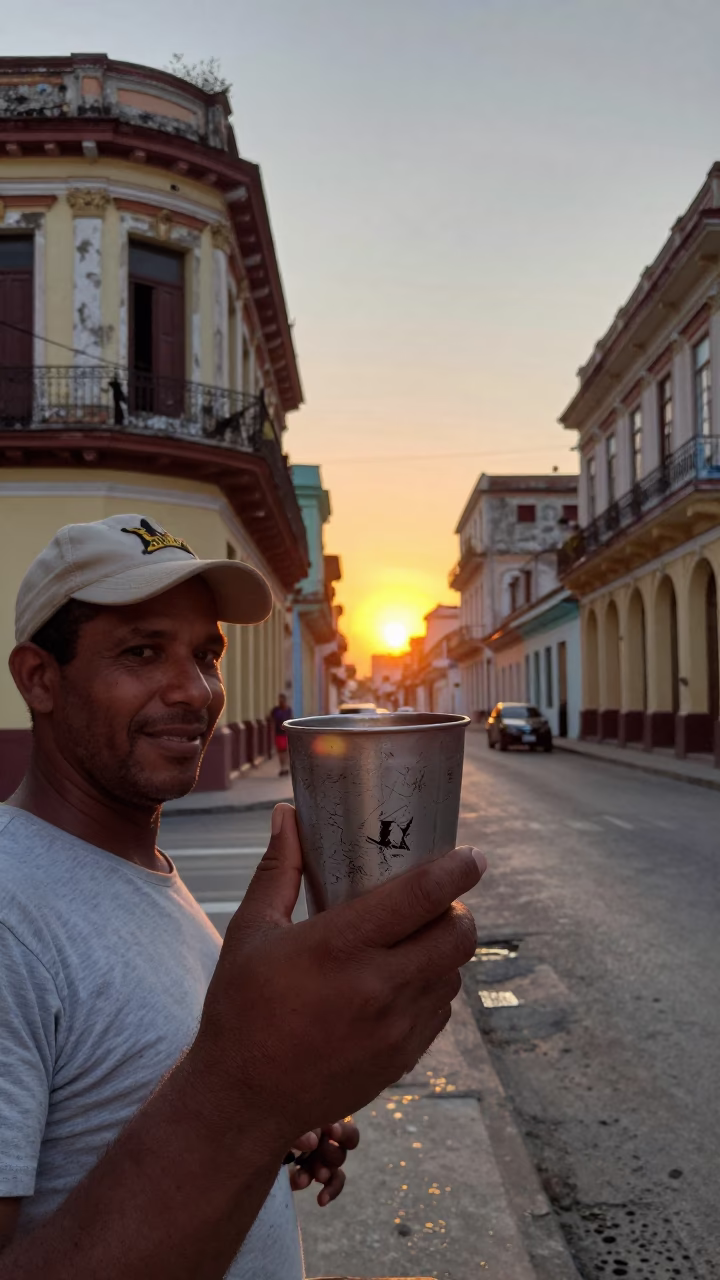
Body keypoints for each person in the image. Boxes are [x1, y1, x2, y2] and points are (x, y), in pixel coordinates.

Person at [0, 513, 486, 1279]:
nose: (194, 690)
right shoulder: (9, 917)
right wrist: (249, 1093)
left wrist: (277, 1116)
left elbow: (151, 1111)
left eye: (206, 655)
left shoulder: (140, 869)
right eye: (140, 652)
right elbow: (222, 1091)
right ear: (39, 678)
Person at [271, 691, 292, 775]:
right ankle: (283, 767)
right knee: (280, 751)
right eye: (280, 699)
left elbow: (290, 720)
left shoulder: (288, 710)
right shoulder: (275, 710)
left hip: (286, 733)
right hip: (278, 733)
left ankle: (285, 767)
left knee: (286, 751)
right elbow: (272, 719)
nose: (281, 700)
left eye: (282, 699)